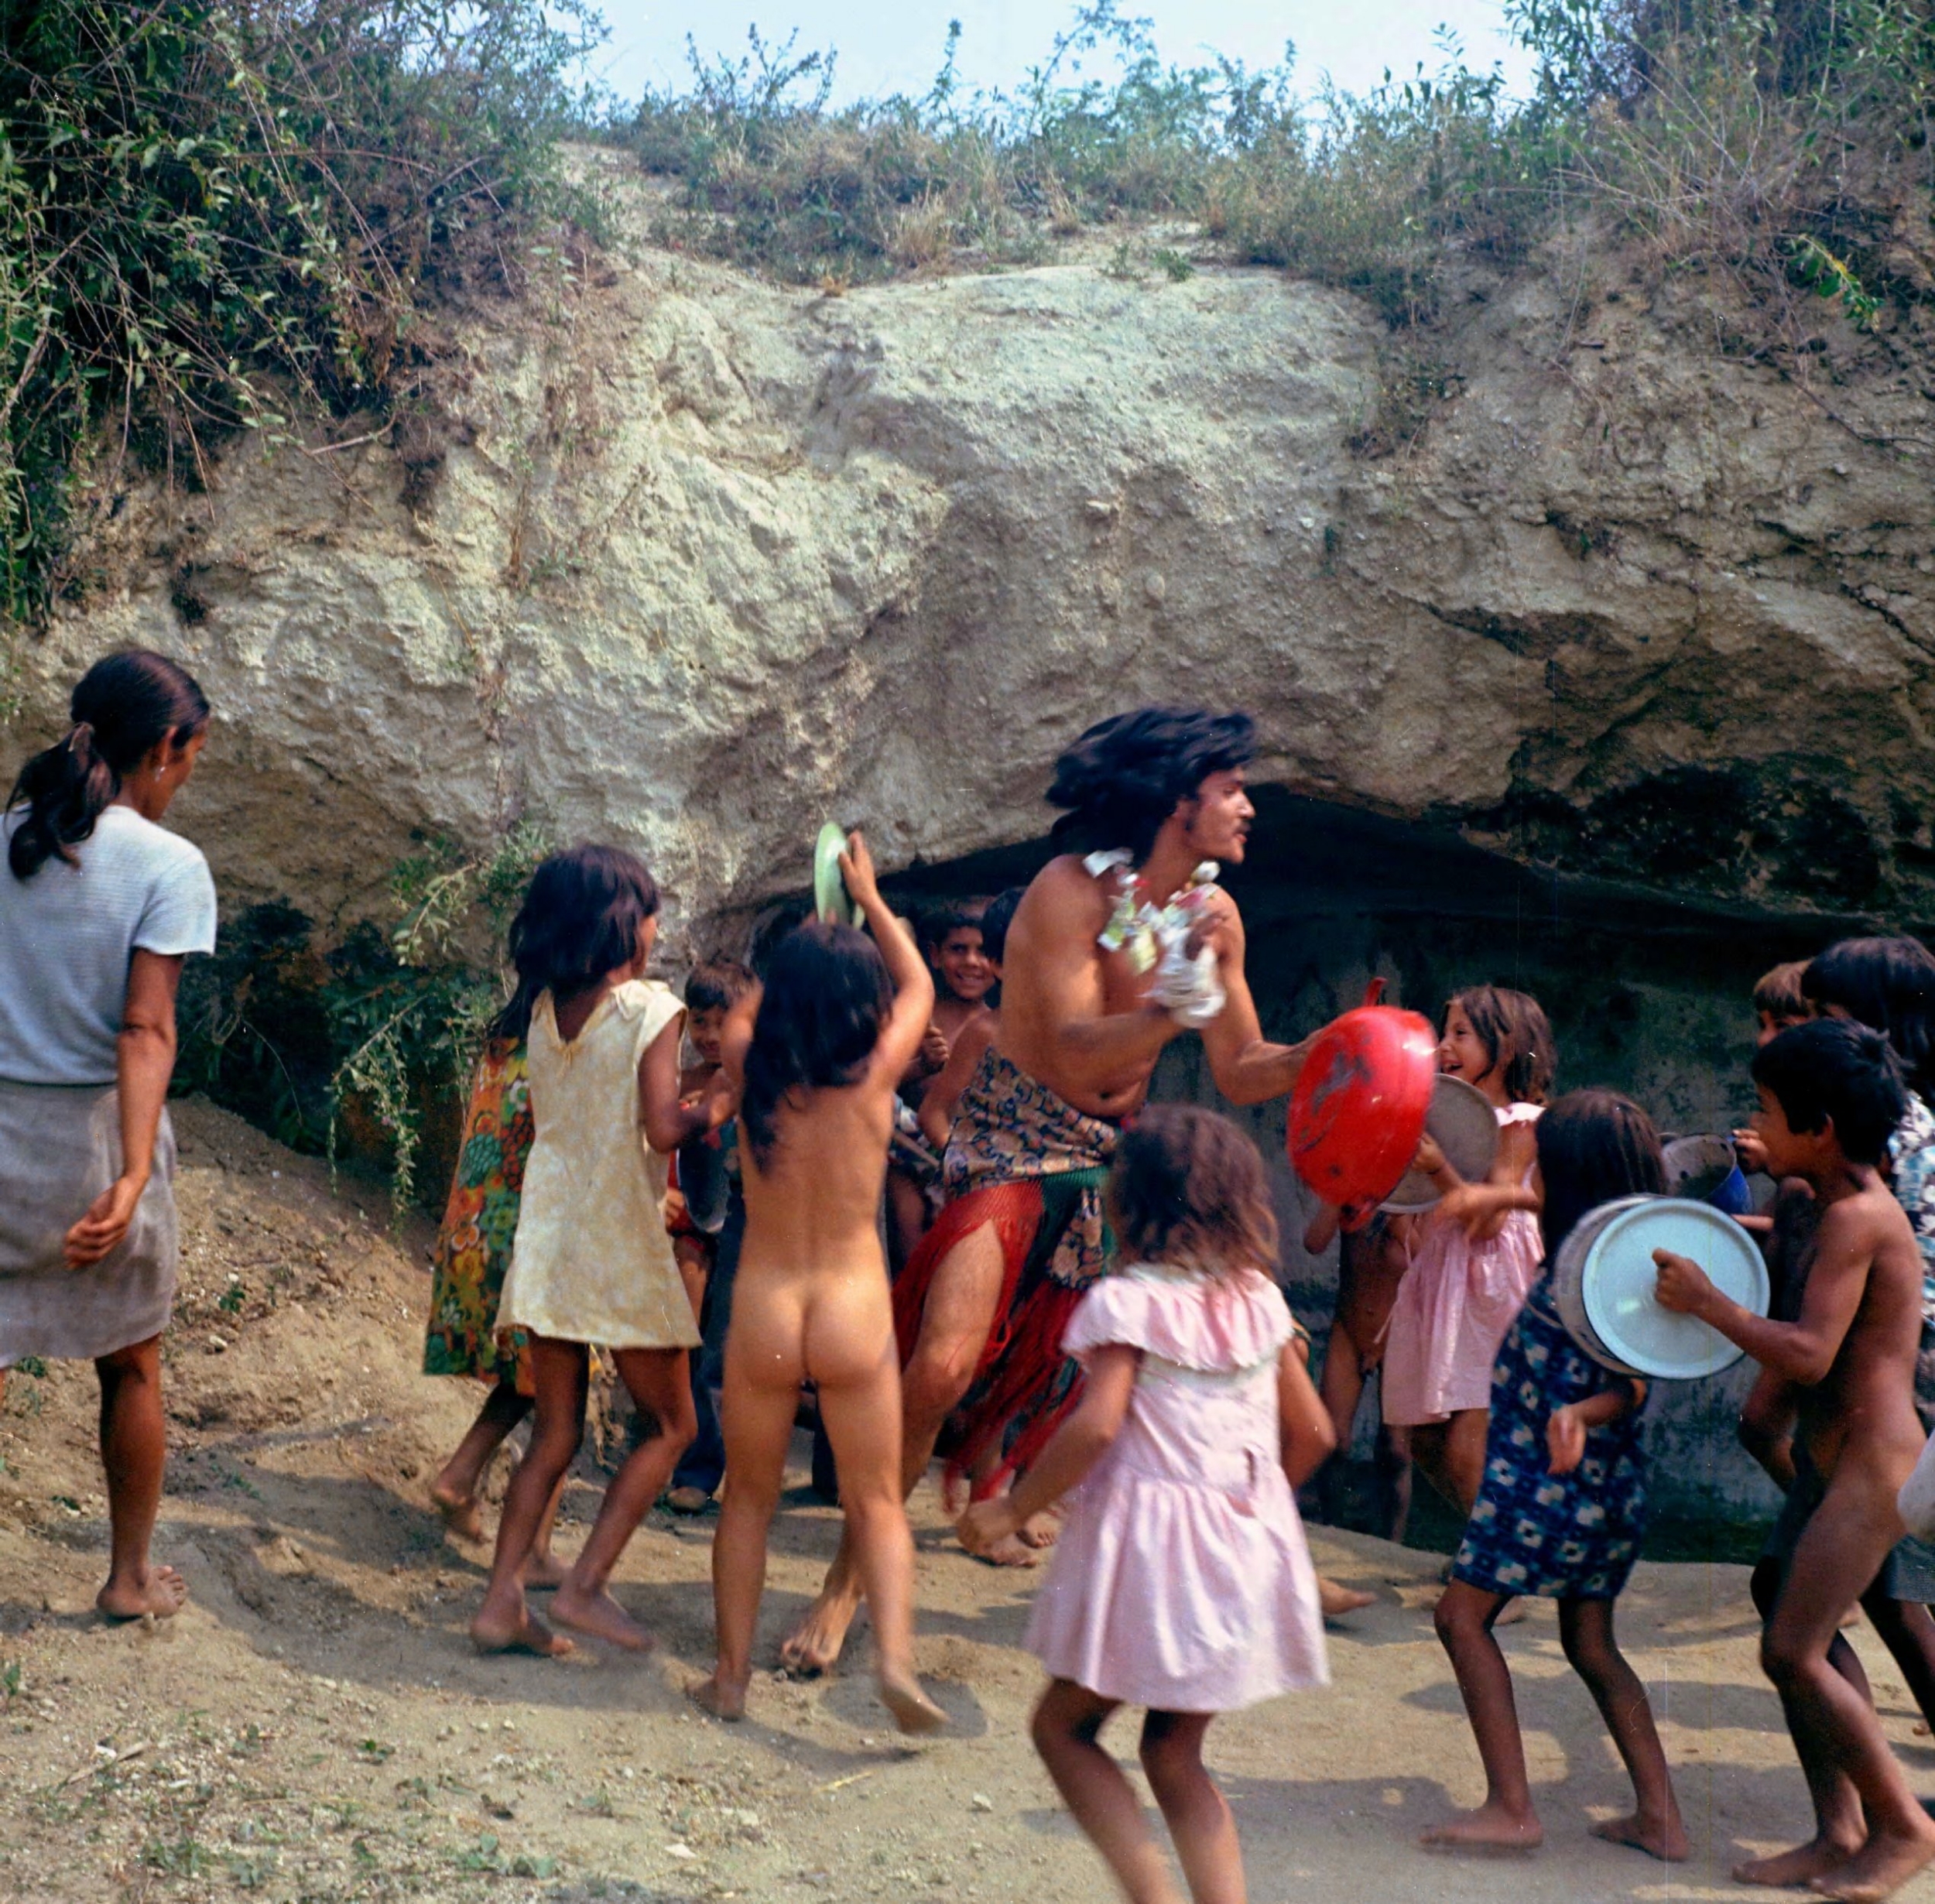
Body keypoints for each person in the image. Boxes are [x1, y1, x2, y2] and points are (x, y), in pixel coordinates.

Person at [783, 708, 1317, 1670]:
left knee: (1257, 1341)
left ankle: (1276, 1572)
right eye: (1230, 787)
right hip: (1011, 1145)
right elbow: (1074, 1048)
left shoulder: (1212, 916)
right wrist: (1169, 1009)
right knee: (943, 1370)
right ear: (1175, 800)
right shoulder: (1067, 893)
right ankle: (842, 1584)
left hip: (1115, 1161)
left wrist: (1327, 1055)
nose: (1248, 806)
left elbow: (1241, 1068)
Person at [958, 1106, 1331, 1904]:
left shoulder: (1128, 1302)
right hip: (1240, 1546)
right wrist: (1248, 1508)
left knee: (1062, 1730)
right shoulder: (1261, 1301)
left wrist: (1009, 1506)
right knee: (1173, 1753)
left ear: (1129, 1205)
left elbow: (1094, 1429)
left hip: (1157, 1562)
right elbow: (1315, 1433)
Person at [1656, 1019, 1935, 1902]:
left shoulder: (1861, 1216)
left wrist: (1705, 1303)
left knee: (1792, 1649)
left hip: (1872, 1468)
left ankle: (1902, 1827)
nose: (1753, 1124)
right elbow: (1787, 1265)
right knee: (1779, 1606)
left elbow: (1811, 1353)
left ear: (1818, 1127)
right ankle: (1837, 1829)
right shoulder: (1812, 1199)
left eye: (1767, 1112)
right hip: (1829, 1459)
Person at [690, 834, 946, 1734]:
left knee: (749, 1500)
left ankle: (727, 1678)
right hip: (850, 1306)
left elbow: (758, 1006)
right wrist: (870, 902)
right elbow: (916, 985)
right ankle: (897, 1668)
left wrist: (807, 936)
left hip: (765, 1304)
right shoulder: (877, 1075)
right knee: (876, 1501)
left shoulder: (748, 1062)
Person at [469, 846, 730, 1658]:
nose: (658, 928)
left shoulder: (548, 1010)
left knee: (553, 1437)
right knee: (673, 1424)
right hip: (617, 1241)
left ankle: (501, 1603)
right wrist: (721, 1099)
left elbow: (609, 1100)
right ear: (630, 925)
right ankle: (584, 1586)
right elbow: (659, 1127)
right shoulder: (654, 1008)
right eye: (653, 912)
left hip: (549, 1242)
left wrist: (694, 1085)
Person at [0, 651, 214, 1622]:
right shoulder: (169, 866)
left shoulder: (9, 840)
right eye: (193, 755)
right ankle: (128, 1581)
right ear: (164, 749)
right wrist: (131, 1179)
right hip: (93, 1139)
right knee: (130, 1360)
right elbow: (145, 1028)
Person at [1423, 1091, 1687, 1861]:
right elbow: (1527, 1197)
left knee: (1460, 1619)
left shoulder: (1601, 1268)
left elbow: (1633, 1383)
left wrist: (1579, 1415)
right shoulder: (1610, 1244)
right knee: (1590, 1643)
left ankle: (1511, 1808)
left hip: (1548, 1486)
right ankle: (1660, 1817)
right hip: (1599, 1493)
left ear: (1569, 1176)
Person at [1740, 939, 1935, 1742]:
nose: (1797, 1030)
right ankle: (1855, 1811)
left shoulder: (1892, 1136)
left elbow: (1858, 1247)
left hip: (1894, 1363)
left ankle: (1878, 1813)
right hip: (1856, 1366)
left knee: (1878, 1585)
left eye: (1821, 1015)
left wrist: (1716, 1301)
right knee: (1811, 1594)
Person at [1382, 987, 1555, 1515]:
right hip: (1447, 1281)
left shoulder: (1521, 1122)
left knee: (1467, 1448)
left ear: (1505, 1049)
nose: (1443, 1047)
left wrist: (1436, 1168)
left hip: (1494, 1290)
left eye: (1461, 1034)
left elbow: (1489, 1221)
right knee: (1425, 1440)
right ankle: (1488, 1553)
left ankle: (1499, 1574)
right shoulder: (1449, 1116)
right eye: (1444, 1033)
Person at [421, 1019, 563, 1586]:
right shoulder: (562, 1047)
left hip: (477, 1230)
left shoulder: (504, 1040)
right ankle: (533, 1549)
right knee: (561, 1390)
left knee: (545, 1384)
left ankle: (464, 1474)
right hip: (527, 1236)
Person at [664, 956, 758, 1516]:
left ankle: (734, 1467)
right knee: (690, 1341)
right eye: (700, 1022)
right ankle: (694, 1463)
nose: (711, 1036)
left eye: (725, 1023)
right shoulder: (682, 1083)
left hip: (753, 1227)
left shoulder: (762, 1079)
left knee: (731, 1350)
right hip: (694, 1225)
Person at [1307, 1199, 1414, 1546]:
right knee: (1334, 1439)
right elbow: (1314, 1243)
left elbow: (1429, 1267)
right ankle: (1330, 1530)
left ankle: (1393, 1543)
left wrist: (1401, 1226)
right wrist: (1336, 1197)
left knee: (1396, 1449)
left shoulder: (1420, 1195)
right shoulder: (1353, 1187)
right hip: (1349, 1327)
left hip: (1399, 1332)